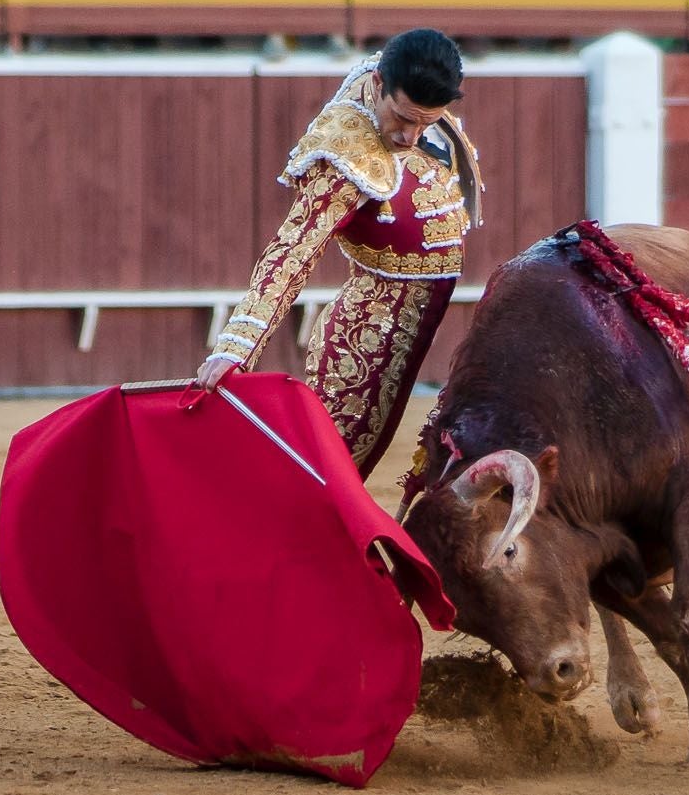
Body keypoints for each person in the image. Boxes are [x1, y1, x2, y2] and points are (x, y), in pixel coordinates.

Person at [193, 30, 482, 477]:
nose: (411, 136)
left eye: (426, 123)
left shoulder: (399, 80)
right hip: (369, 336)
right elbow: (293, 250)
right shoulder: (346, 153)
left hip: (416, 322)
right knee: (324, 476)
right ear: (381, 84)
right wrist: (236, 347)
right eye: (403, 119)